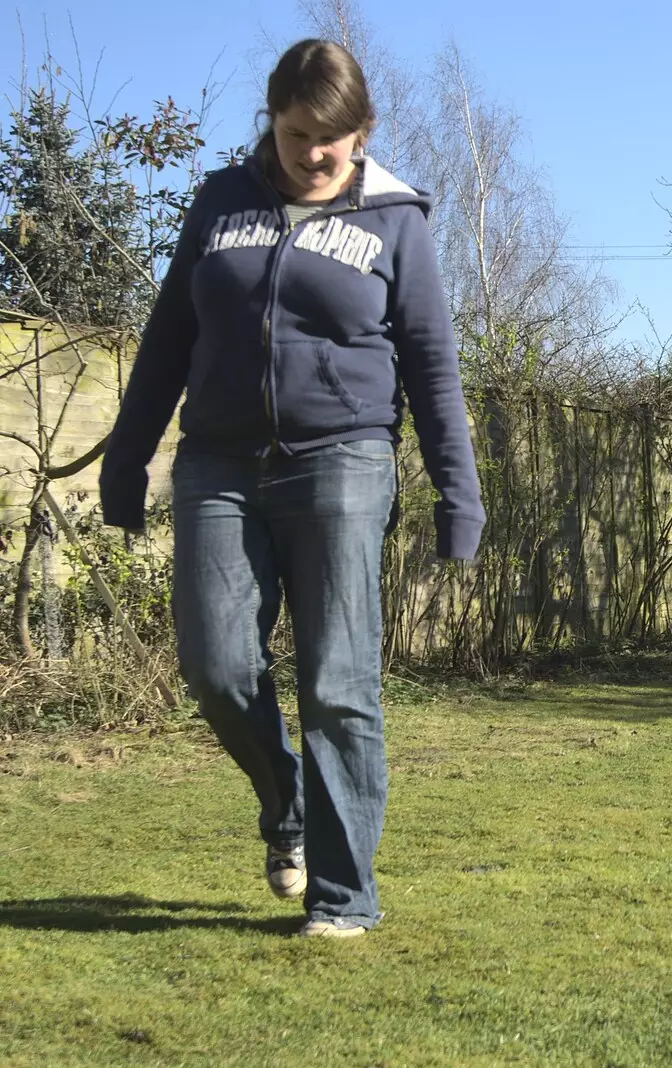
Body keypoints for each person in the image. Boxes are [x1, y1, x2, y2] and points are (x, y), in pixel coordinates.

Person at [99, 39, 483, 937]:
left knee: (338, 682)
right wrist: (126, 458)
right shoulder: (220, 203)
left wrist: (457, 498)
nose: (316, 153)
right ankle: (290, 804)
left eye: (335, 138)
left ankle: (344, 898)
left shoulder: (397, 219)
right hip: (218, 465)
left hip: (343, 460)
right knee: (216, 667)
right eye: (300, 133)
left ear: (362, 133)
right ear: (272, 117)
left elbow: (431, 367)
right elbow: (166, 343)